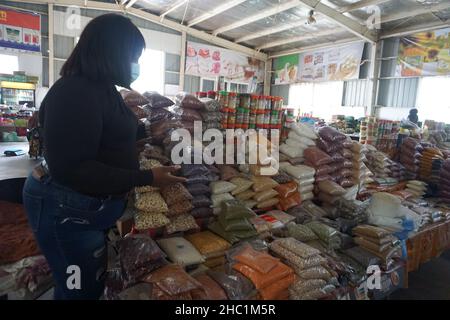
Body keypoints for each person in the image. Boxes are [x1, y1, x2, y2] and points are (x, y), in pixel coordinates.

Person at [22, 14, 185, 300]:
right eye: (134, 56)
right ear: (113, 53)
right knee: (79, 289)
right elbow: (73, 168)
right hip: (65, 212)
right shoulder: (75, 92)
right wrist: (147, 177)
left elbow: (112, 129)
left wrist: (150, 133)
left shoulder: (104, 89)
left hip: (84, 211)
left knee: (89, 281)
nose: (136, 64)